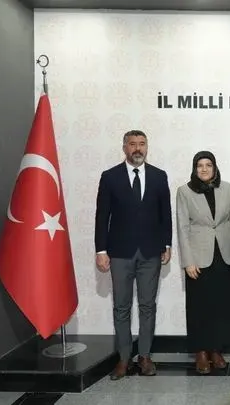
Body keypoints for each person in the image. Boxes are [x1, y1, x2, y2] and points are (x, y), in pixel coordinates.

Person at [94, 130, 173, 380]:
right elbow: (102, 216)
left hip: (151, 252)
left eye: (142, 144)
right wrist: (101, 250)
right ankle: (124, 359)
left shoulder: (159, 176)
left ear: (147, 147)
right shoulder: (110, 177)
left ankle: (145, 357)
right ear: (124, 148)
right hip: (119, 253)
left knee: (148, 305)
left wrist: (167, 244)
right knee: (121, 306)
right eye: (132, 144)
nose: (137, 148)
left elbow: (165, 214)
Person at [175, 151, 230, 375]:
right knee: (199, 306)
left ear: (215, 168)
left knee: (221, 305)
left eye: (208, 165)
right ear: (194, 169)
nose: (204, 169)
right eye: (199, 165)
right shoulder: (184, 191)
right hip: (198, 258)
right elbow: (182, 227)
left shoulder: (227, 189)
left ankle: (216, 350)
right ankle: (201, 352)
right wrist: (187, 261)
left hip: (225, 255)